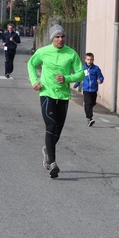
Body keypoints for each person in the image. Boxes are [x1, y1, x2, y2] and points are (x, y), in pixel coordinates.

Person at [27, 24, 84, 178]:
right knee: (50, 125)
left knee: (57, 131)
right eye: (57, 37)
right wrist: (34, 81)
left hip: (63, 96)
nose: (60, 39)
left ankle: (47, 150)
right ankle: (53, 162)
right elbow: (31, 64)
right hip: (47, 93)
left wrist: (67, 78)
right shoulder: (44, 51)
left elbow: (81, 73)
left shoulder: (71, 53)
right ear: (52, 38)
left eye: (62, 36)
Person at [73, 52, 104, 127]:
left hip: (94, 89)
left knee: (92, 103)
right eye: (88, 59)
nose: (89, 61)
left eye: (91, 59)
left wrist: (100, 80)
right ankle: (89, 118)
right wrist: (76, 84)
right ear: (85, 60)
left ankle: (87, 106)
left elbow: (101, 77)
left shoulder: (96, 68)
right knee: (88, 103)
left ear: (93, 60)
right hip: (86, 89)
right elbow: (79, 77)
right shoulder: (82, 68)